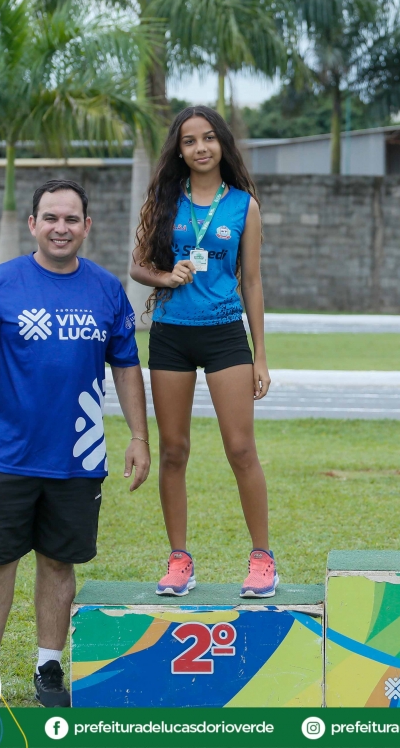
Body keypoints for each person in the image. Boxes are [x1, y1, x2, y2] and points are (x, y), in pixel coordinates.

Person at [0, 179, 150, 707]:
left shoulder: (106, 288)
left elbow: (126, 367)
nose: (60, 228)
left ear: (86, 226)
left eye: (70, 219)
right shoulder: (3, 281)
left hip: (78, 456)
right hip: (7, 454)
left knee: (59, 562)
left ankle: (49, 667)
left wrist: (138, 435)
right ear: (33, 224)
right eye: (50, 218)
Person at [130, 106, 276, 598]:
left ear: (222, 144)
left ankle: (262, 559)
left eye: (209, 138)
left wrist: (259, 354)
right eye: (189, 140)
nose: (200, 148)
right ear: (179, 150)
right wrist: (164, 276)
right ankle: (179, 560)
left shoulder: (243, 206)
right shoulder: (165, 200)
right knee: (173, 451)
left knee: (241, 449)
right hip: (171, 334)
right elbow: (138, 266)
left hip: (224, 336)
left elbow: (251, 281)